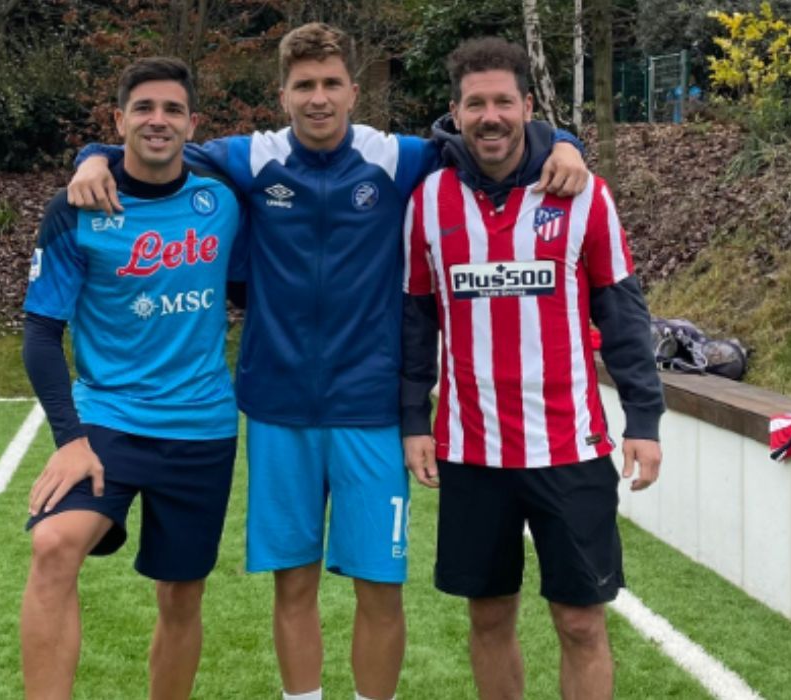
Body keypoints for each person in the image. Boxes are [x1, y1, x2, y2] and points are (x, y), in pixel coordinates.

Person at [66, 24, 590, 700]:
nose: (319, 99)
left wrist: (566, 142)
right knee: (295, 582)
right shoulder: (249, 159)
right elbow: (155, 146)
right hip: (280, 410)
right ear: (281, 95)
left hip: (369, 408)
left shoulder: (397, 158)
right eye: (304, 86)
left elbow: (492, 140)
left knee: (380, 586)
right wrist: (93, 156)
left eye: (331, 84)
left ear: (353, 90)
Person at [400, 38, 665, 700]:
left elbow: (624, 315)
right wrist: (412, 418)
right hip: (470, 448)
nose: (490, 116)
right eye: (475, 103)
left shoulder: (583, 194)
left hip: (568, 447)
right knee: (488, 616)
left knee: (580, 622)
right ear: (454, 114)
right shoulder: (427, 202)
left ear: (528, 106)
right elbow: (414, 321)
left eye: (503, 101)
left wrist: (645, 418)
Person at [19, 57, 246, 700]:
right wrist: (70, 437)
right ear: (119, 120)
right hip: (107, 423)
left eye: (173, 109)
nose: (158, 120)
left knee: (180, 597)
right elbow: (40, 334)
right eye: (143, 108)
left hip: (201, 430)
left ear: (193, 124)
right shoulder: (77, 207)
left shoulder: (222, 198)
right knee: (55, 546)